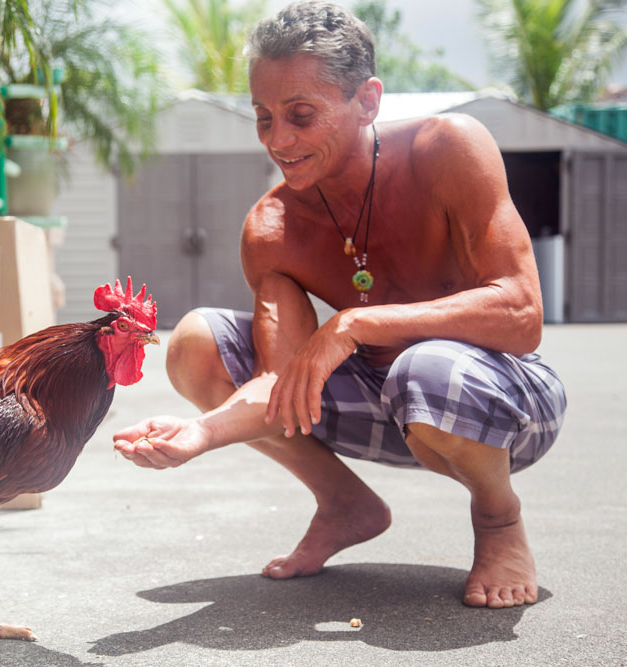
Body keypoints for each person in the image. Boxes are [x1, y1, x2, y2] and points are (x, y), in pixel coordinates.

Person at [113, 0, 566, 610]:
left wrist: (356, 323)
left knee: (424, 368)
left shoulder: (447, 148)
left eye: (301, 115)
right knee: (195, 342)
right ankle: (344, 503)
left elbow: (522, 314)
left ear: (368, 101)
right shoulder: (271, 227)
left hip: (504, 403)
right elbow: (278, 383)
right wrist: (199, 433)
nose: (279, 140)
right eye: (264, 118)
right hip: (386, 407)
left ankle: (498, 519)